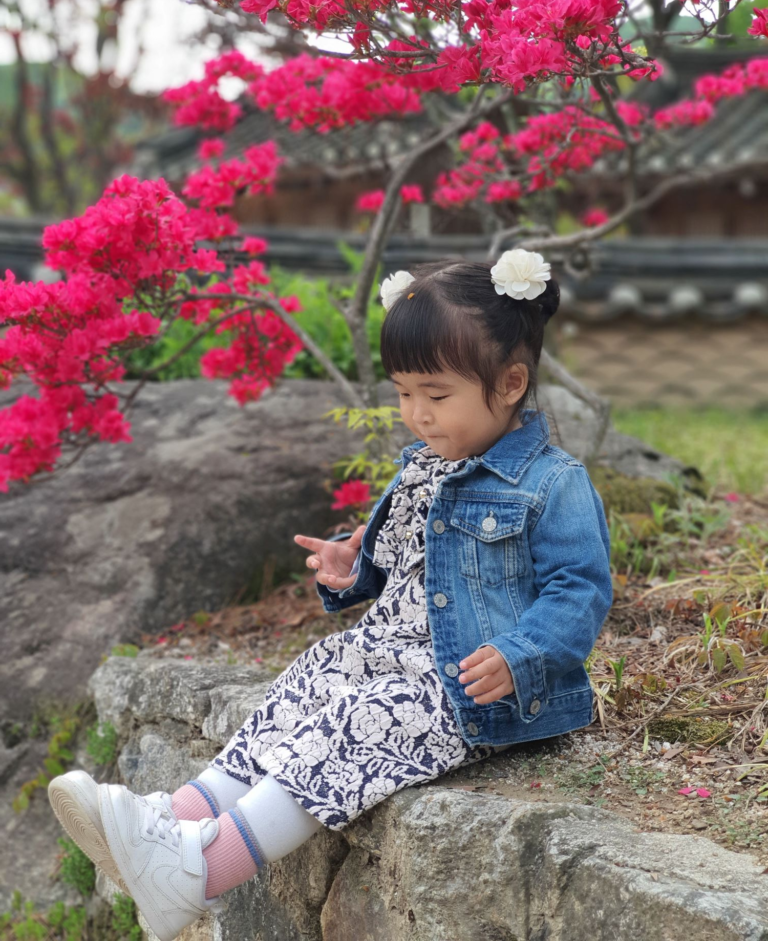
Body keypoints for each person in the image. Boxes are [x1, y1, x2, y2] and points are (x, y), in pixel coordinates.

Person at [48, 250, 613, 941]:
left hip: (470, 690)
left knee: (356, 722)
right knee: (314, 676)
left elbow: (580, 589)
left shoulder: (552, 482)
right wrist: (354, 565)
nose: (417, 414)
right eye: (403, 393)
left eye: (436, 396)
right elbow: (410, 560)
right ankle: (176, 818)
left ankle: (199, 874)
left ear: (510, 382)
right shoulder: (427, 466)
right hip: (394, 655)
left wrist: (522, 654)